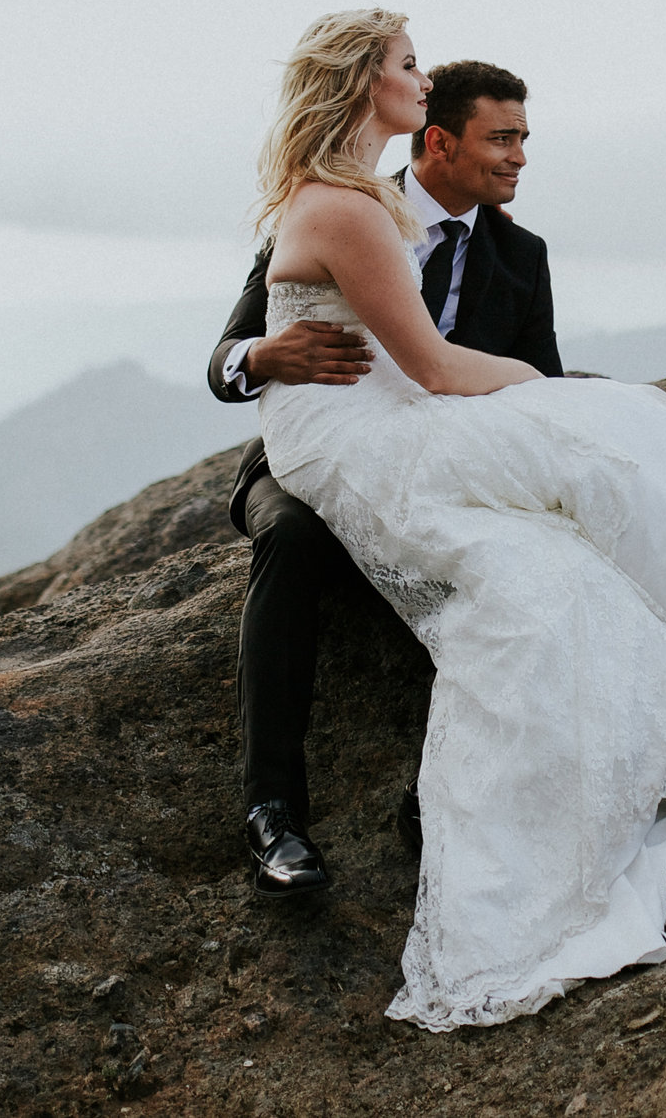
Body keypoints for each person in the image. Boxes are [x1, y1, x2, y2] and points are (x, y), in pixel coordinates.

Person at [249, 8, 666, 1030]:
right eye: (408, 63)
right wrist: (546, 391)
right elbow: (433, 366)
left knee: (547, 575)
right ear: (368, 85)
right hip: (350, 428)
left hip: (398, 408)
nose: (422, 74)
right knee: (608, 427)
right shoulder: (350, 207)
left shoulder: (388, 208)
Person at [207, 60, 562, 898]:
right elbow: (223, 361)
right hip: (315, 458)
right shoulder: (337, 204)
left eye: (523, 138)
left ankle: (441, 793)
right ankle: (271, 813)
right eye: (502, 138)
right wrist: (267, 354)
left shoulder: (522, 255)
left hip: (442, 461)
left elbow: (539, 382)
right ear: (439, 141)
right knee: (293, 538)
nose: (519, 157)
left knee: (508, 553)